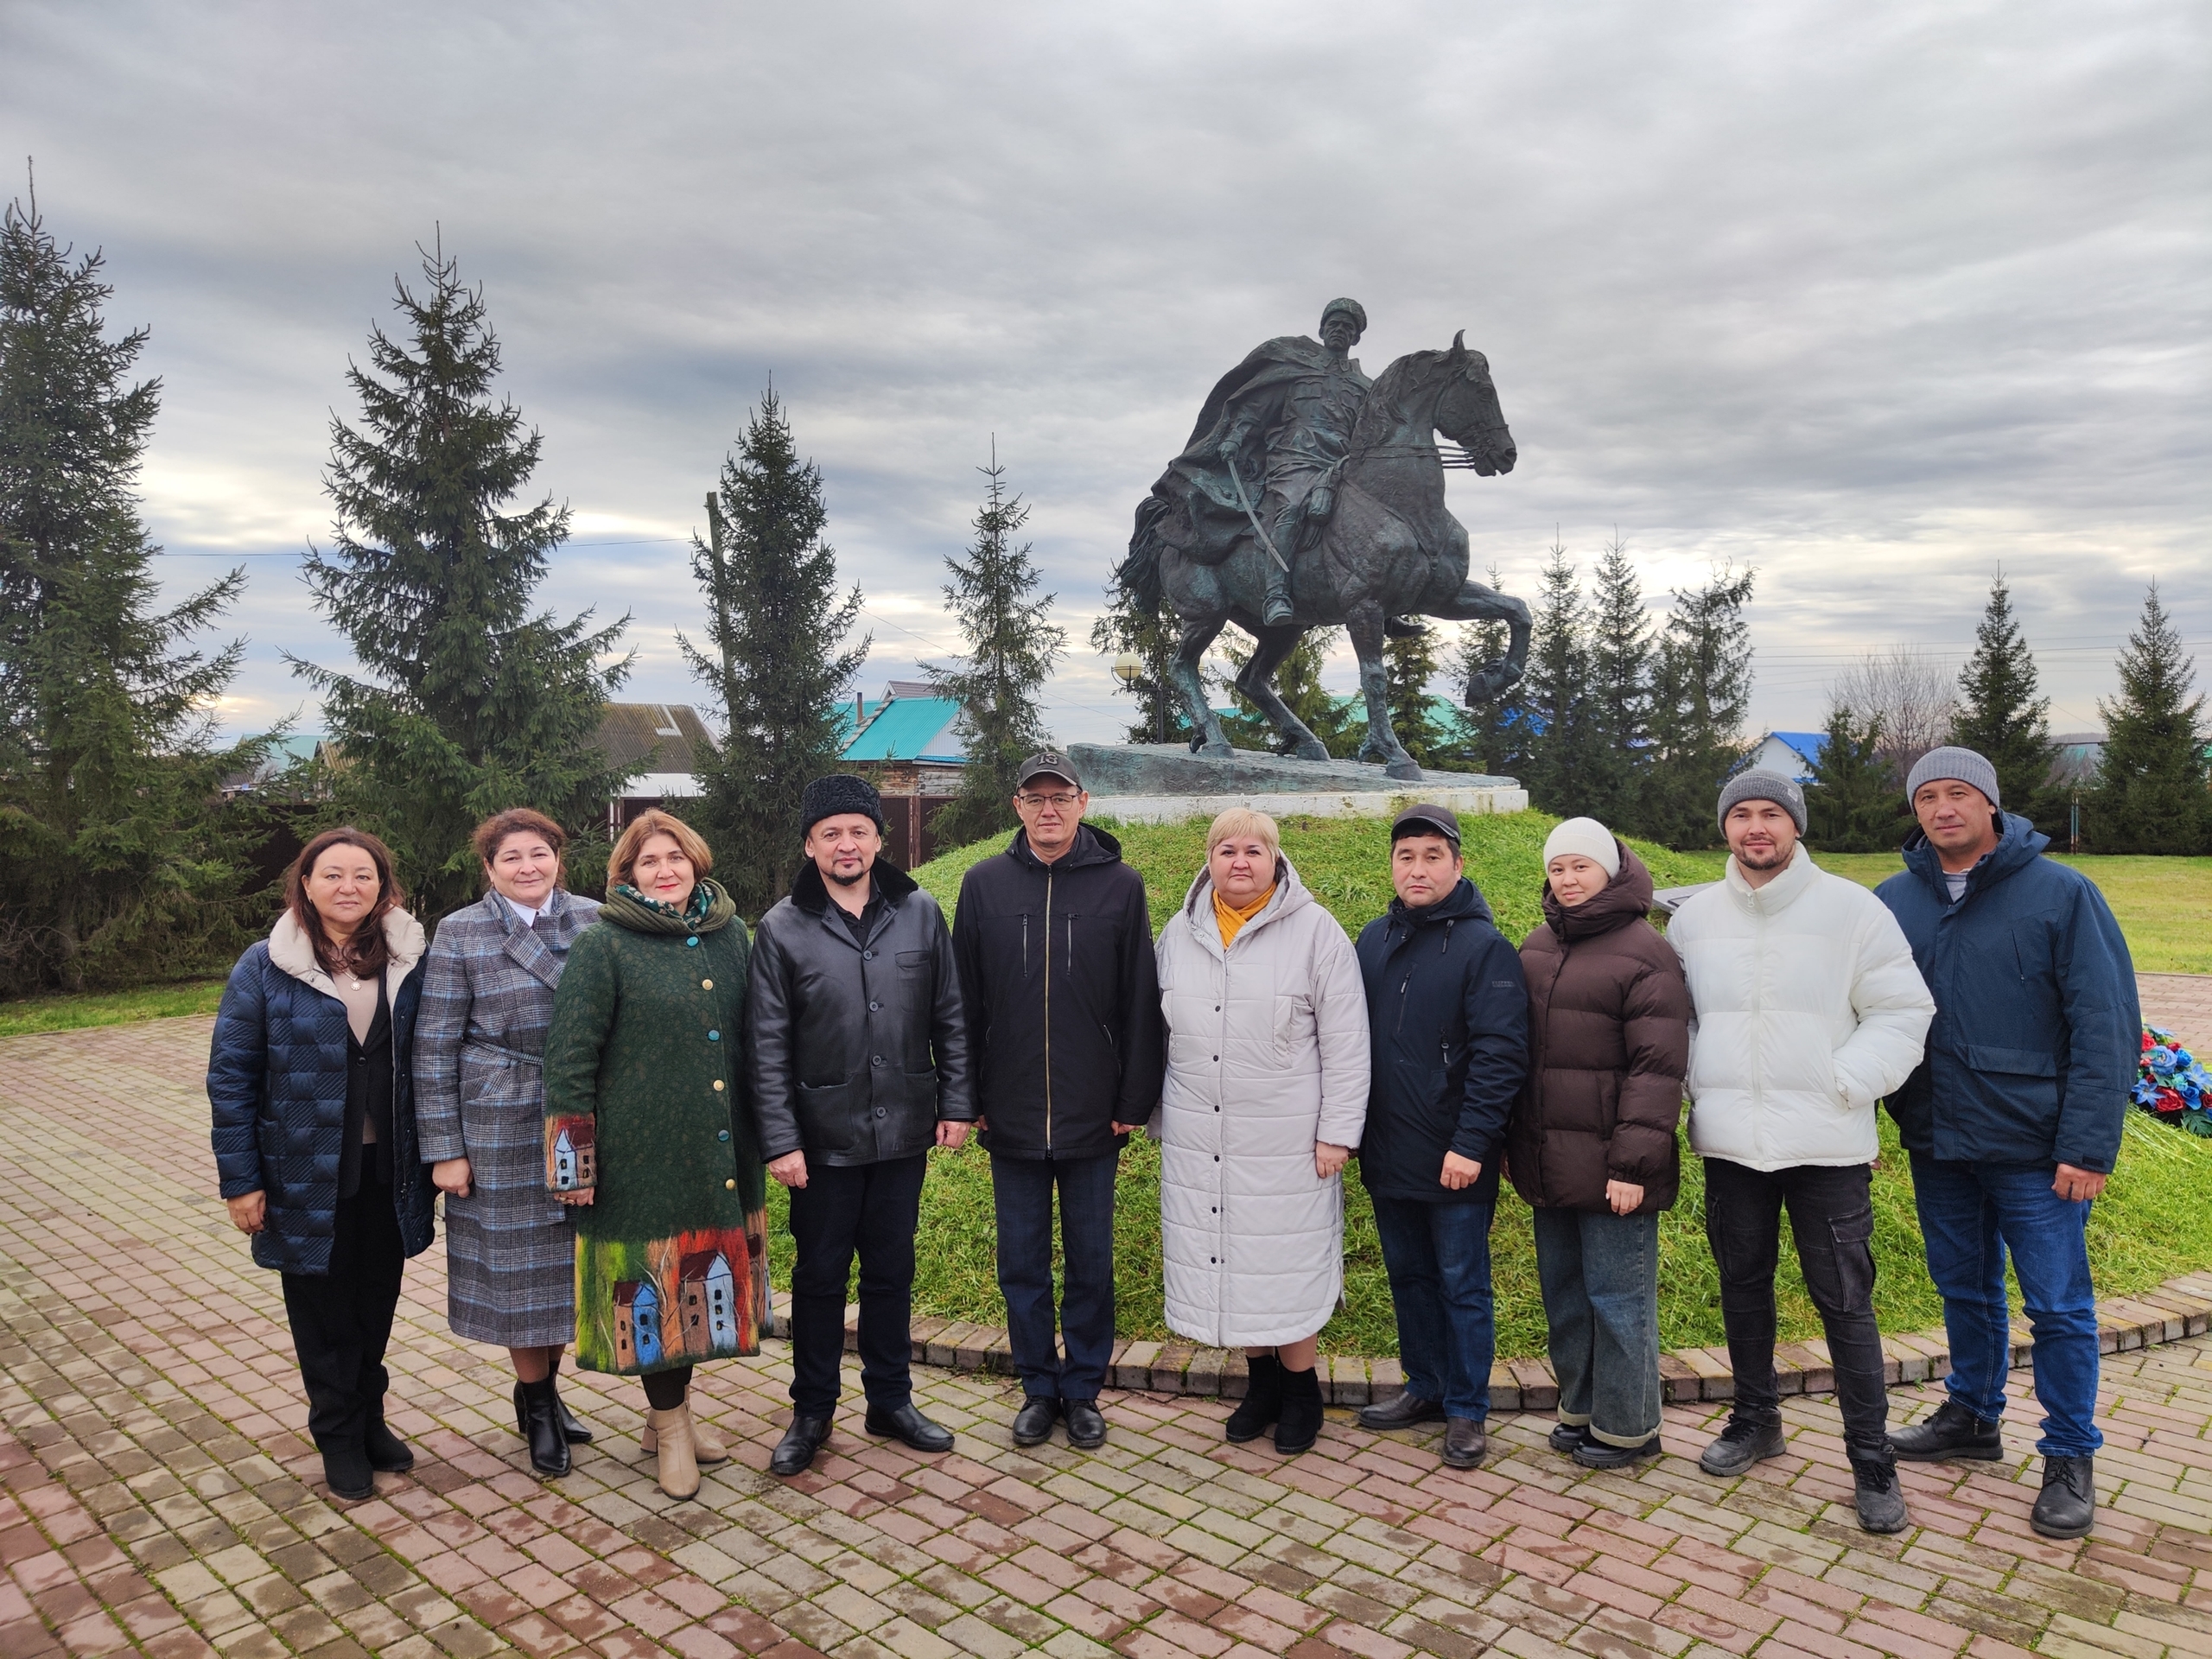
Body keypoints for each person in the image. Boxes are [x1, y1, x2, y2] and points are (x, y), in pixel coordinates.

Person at [1876, 747, 2138, 1540]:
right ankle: (1972, 1416)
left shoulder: (2061, 895)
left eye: (1959, 793)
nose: (1942, 808)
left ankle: (2069, 1454)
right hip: (1939, 1138)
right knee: (1964, 1289)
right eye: (1928, 796)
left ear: (1991, 804)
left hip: (2036, 1149)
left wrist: (2088, 1147)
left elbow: (2106, 1026)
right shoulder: (1893, 902)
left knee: (2058, 1307)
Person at [1669, 772, 1933, 1534]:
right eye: (1743, 814)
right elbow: (1676, 1023)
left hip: (1827, 1144)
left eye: (1773, 814)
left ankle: (1871, 1458)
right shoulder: (1695, 920)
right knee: (1742, 1285)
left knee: (1845, 1302)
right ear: (1725, 827)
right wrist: (1697, 1087)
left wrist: (1842, 1083)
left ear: (1796, 826)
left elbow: (1902, 1010)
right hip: (1731, 1147)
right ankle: (1756, 1419)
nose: (1757, 828)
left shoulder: (1854, 911)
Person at [749, 774, 975, 1477]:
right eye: (831, 833)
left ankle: (891, 1401)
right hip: (821, 1141)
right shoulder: (782, 927)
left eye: (859, 831)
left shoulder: (920, 911)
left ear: (880, 838)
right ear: (811, 844)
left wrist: (958, 1103)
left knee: (890, 1271)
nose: (846, 845)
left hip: (904, 1128)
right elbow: (765, 1045)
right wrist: (781, 1140)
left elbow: (952, 1017)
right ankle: (813, 1410)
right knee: (819, 1277)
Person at [540, 809, 766, 1500]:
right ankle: (671, 1430)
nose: (664, 870)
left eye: (674, 857)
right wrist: (571, 1166)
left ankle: (666, 1419)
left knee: (698, 1289)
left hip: (721, 1152)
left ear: (695, 860)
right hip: (640, 1157)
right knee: (655, 1289)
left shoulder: (732, 935)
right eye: (648, 862)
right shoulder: (603, 946)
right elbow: (569, 1060)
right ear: (627, 875)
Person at [208, 828, 435, 1502]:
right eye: (331, 875)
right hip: (305, 1172)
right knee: (323, 1313)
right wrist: (241, 1180)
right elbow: (231, 1077)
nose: (347, 887)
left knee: (376, 1304)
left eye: (361, 875)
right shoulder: (266, 965)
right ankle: (337, 1435)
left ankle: (370, 1421)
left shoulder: (406, 960)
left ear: (382, 886)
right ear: (305, 885)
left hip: (388, 1169)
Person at [951, 751, 1164, 1452]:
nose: (1048, 809)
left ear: (1083, 801)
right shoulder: (982, 885)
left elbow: (1139, 1000)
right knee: (1021, 1262)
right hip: (1008, 1112)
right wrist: (968, 1092)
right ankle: (1038, 1388)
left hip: (1092, 1111)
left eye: (1061, 796)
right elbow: (962, 1003)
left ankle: (1084, 1391)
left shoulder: (1120, 886)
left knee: (1090, 1262)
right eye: (1035, 797)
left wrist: (1134, 1098)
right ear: (1016, 805)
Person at [1154, 808, 1369, 1455]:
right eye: (1226, 851)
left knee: (1284, 1264)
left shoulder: (1316, 934)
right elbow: (1157, 1035)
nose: (1239, 862)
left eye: (1253, 850)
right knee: (1231, 1259)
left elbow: (1347, 1043)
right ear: (1209, 860)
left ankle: (1300, 1392)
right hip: (1203, 1137)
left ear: (1276, 859)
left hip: (1287, 1142)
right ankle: (1261, 1386)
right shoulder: (1180, 933)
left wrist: (1338, 1132)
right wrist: (1158, 1119)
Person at [415, 808, 600, 1478]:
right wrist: (445, 1149)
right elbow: (433, 1049)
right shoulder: (461, 931)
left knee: (561, 1272)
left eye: (540, 853)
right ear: (489, 868)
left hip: (576, 1120)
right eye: (512, 857)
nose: (529, 867)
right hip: (497, 1121)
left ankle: (545, 1392)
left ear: (558, 858)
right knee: (518, 1277)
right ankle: (539, 1406)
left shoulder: (594, 919)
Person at [1505, 817, 1690, 1469]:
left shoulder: (1646, 953)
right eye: (1558, 868)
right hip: (1549, 1162)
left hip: (1615, 1168)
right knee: (1566, 1296)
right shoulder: (1536, 947)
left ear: (1610, 869)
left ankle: (1629, 1427)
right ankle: (1580, 1410)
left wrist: (1633, 1165)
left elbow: (1657, 1069)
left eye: (1581, 866)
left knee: (1619, 1301)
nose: (1568, 879)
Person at [1351, 804, 1528, 1471]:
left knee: (1461, 1283)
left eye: (1432, 856)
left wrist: (1473, 1144)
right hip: (1388, 1148)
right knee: (1410, 1277)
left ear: (1458, 864)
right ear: (1392, 866)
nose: (1417, 868)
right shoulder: (1373, 939)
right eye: (1406, 856)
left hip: (1456, 1156)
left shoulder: (1487, 948)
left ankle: (1466, 1409)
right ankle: (1423, 1387)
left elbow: (1500, 1057)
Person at [1135, 299, 1376, 627]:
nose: (1340, 330)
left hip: (1342, 466)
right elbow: (1258, 409)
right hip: (1295, 460)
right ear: (1321, 330)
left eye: (1348, 327)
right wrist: (1235, 436)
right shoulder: (1297, 372)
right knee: (1291, 508)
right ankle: (1276, 594)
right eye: (1334, 324)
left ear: (1356, 338)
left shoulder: (1365, 387)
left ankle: (1381, 598)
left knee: (1374, 521)